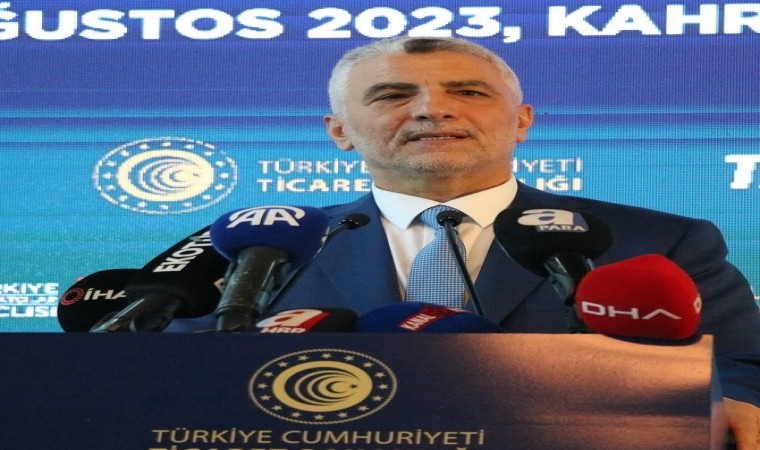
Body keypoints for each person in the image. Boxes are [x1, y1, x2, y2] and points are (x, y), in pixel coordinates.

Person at [265, 36, 760, 448]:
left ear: (522, 120)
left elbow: (739, 361)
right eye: (392, 95)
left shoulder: (658, 242)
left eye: (468, 92)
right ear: (339, 130)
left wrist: (735, 401)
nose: (433, 110)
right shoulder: (266, 250)